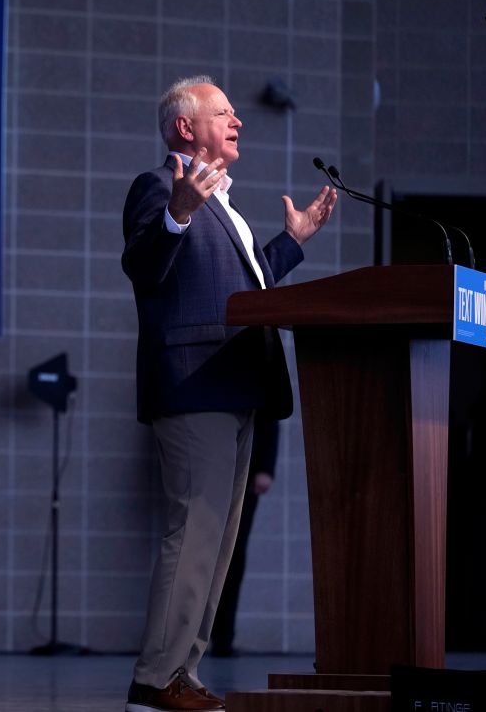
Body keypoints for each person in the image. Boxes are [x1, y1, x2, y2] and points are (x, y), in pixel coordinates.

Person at [122, 76, 336, 712]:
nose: (237, 120)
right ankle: (153, 680)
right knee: (194, 533)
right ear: (186, 128)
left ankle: (182, 671)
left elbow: (245, 291)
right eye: (223, 112)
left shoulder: (226, 206)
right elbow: (144, 265)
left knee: (216, 544)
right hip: (194, 385)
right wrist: (179, 211)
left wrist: (292, 242)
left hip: (238, 384)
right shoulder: (160, 188)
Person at [211, 418, 279, 657]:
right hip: (211, 469)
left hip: (245, 472)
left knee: (233, 555)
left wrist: (265, 468)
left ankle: (223, 637)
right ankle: (193, 636)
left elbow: (270, 416)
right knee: (202, 555)